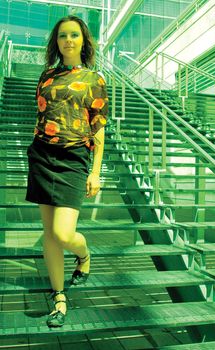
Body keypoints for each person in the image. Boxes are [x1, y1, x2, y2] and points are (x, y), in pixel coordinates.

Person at [25, 15, 108, 327]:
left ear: (83, 41)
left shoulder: (93, 79)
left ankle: (83, 255)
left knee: (63, 233)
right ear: (56, 41)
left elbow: (98, 127)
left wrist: (95, 171)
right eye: (63, 35)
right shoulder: (46, 76)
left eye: (74, 35)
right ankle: (58, 295)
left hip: (74, 158)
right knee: (48, 233)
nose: (68, 40)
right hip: (42, 155)